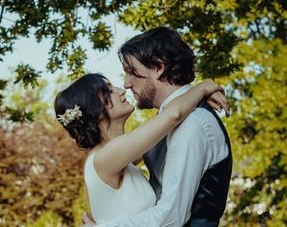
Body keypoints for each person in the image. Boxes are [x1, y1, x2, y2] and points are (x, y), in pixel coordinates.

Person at [56, 26, 232, 226]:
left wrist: (198, 94)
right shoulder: (109, 155)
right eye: (108, 92)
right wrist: (201, 88)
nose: (124, 86)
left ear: (158, 68)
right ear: (96, 111)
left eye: (132, 72)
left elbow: (171, 117)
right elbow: (173, 115)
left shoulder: (190, 123)